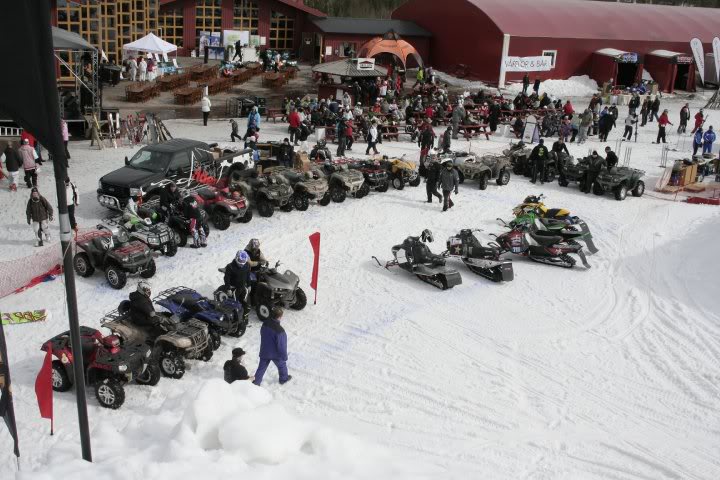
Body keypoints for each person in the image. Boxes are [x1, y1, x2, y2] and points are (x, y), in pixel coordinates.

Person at [253, 306, 291, 386]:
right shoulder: (280, 330)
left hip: (264, 351)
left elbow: (262, 334)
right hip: (275, 354)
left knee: (261, 368)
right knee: (282, 366)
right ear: (280, 317)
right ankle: (284, 379)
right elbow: (282, 346)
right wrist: (284, 356)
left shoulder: (265, 323)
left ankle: (256, 383)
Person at [224, 250, 252, 323]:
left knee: (247, 304)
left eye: (243, 261)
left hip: (243, 287)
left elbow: (248, 276)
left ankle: (245, 318)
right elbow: (226, 278)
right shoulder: (230, 267)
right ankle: (235, 319)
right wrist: (228, 289)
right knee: (235, 304)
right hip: (234, 289)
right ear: (236, 258)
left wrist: (249, 285)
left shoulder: (247, 265)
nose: (241, 264)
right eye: (240, 261)